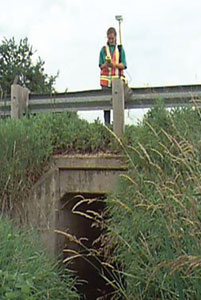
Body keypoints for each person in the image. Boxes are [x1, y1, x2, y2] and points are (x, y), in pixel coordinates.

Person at [99, 27, 127, 125]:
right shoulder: (103, 50)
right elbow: (100, 65)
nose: (110, 40)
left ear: (115, 37)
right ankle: (107, 125)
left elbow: (123, 65)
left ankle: (117, 124)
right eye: (109, 38)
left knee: (117, 105)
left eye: (112, 38)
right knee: (106, 105)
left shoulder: (120, 49)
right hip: (105, 82)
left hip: (117, 82)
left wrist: (114, 65)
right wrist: (106, 65)